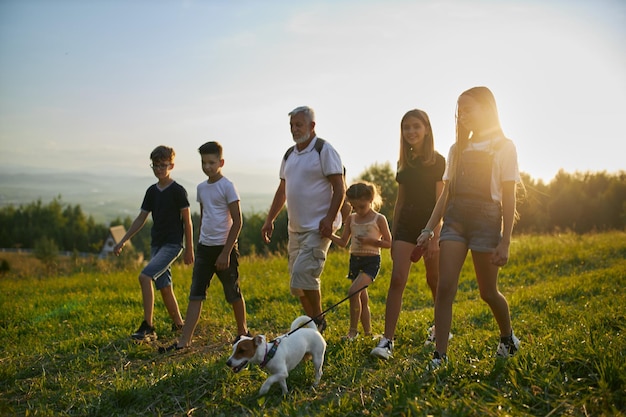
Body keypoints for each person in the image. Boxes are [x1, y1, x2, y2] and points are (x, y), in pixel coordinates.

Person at [416, 86, 521, 368]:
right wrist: (428, 229)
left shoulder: (504, 146)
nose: (462, 115)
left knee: (488, 292)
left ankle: (508, 337)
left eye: (468, 109)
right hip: (455, 220)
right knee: (445, 288)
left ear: (487, 109)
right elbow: (446, 195)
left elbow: (509, 197)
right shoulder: (456, 150)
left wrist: (505, 241)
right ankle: (440, 356)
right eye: (458, 111)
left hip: (487, 220)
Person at [262, 106, 345, 333]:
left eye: (299, 124)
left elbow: (340, 188)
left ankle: (318, 321)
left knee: (303, 275)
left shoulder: (323, 150)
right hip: (295, 228)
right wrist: (270, 219)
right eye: (291, 125)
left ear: (312, 126)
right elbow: (282, 190)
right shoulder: (289, 154)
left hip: (319, 228)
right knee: (296, 284)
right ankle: (314, 324)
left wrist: (329, 219)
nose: (294, 129)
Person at [371, 109, 446, 360]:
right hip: (405, 227)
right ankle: (387, 340)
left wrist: (434, 235)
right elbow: (400, 203)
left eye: (416, 126)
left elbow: (440, 201)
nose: (411, 132)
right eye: (406, 128)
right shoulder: (403, 163)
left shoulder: (439, 161)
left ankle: (440, 328)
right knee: (397, 279)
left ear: (427, 128)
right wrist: (392, 235)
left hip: (430, 225)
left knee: (434, 280)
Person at [160, 141, 249, 352]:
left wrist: (226, 252)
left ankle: (243, 333)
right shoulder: (201, 188)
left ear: (221, 162)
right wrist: (197, 244)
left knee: (233, 293)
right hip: (205, 248)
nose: (207, 167)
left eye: (211, 162)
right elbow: (204, 217)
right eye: (203, 162)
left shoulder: (228, 186)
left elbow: (237, 221)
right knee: (195, 293)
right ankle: (184, 341)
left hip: (224, 248)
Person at [114, 145, 193, 341]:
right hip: (156, 244)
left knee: (145, 277)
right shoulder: (151, 191)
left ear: (171, 165)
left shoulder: (178, 191)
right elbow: (141, 219)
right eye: (155, 165)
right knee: (164, 286)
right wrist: (123, 240)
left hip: (173, 244)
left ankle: (148, 325)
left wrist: (189, 248)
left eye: (163, 165)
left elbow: (187, 221)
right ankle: (179, 325)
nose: (159, 169)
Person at [329, 182, 392, 340]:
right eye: (354, 207)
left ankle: (352, 332)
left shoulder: (379, 219)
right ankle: (368, 333)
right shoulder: (351, 219)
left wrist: (373, 242)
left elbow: (389, 243)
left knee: (353, 292)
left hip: (371, 262)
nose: (359, 211)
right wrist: (329, 235)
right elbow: (344, 242)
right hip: (355, 260)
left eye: (362, 206)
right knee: (362, 298)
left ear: (371, 200)